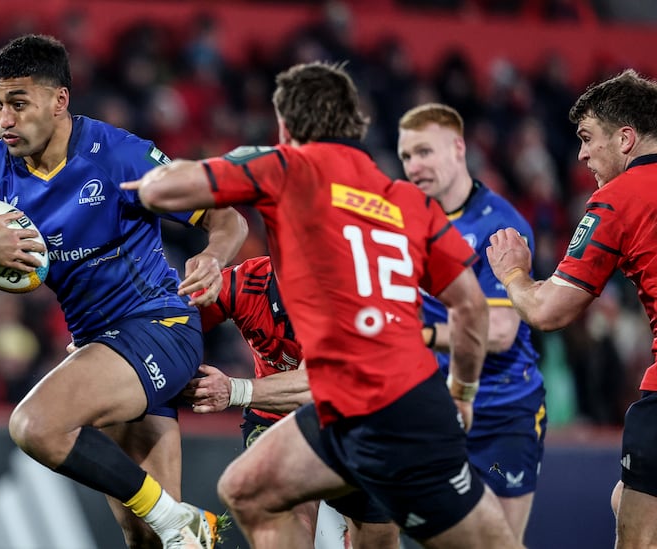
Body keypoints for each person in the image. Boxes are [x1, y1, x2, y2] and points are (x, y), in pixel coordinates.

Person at [122, 61, 523, 549]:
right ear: (353, 124)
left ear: (285, 125)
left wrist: (167, 176)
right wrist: (462, 393)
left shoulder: (283, 166)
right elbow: (471, 308)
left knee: (252, 495)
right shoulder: (403, 197)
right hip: (415, 401)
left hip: (354, 402)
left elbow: (163, 188)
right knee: (248, 488)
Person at [0, 34, 248, 549]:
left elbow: (227, 218)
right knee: (146, 540)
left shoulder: (118, 156)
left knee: (34, 426)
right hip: (101, 349)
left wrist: (212, 256)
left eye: (19, 104)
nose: (5, 119)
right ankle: (176, 524)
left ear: (60, 100)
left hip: (161, 327)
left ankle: (181, 519)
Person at [486, 68, 657, 549]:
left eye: (588, 138)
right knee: (625, 499)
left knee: (637, 536)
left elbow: (548, 311)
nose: (581, 154)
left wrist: (513, 273)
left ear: (625, 139)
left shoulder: (617, 199)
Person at [397, 103, 546, 542]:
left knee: (498, 541)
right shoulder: (406, 217)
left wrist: (418, 335)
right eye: (406, 156)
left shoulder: (500, 227)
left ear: (458, 147)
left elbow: (499, 334)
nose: (414, 166)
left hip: (502, 412)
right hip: (435, 406)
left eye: (424, 152)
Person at [186, 255, 393, 549]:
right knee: (285, 519)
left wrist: (232, 390)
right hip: (274, 421)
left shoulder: (355, 293)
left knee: (378, 540)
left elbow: (313, 386)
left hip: (356, 421)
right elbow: (172, 328)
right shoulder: (242, 283)